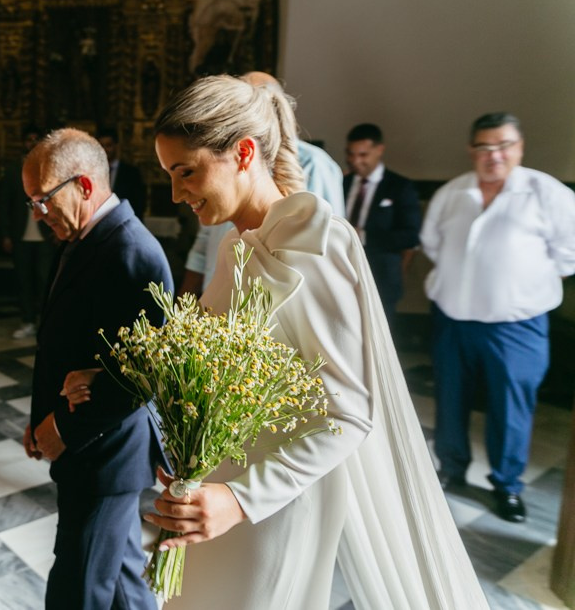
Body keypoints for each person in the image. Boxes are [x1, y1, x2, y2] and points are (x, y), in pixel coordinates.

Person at [141, 75, 487, 609]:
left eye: (186, 171)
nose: (176, 192)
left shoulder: (314, 244)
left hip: (275, 502)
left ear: (244, 153)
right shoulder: (235, 245)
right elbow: (207, 359)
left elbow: (350, 414)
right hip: (216, 480)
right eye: (169, 175)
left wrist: (238, 499)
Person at [22, 128, 172, 610]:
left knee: (77, 589)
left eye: (42, 199)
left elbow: (145, 374)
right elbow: (61, 344)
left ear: (84, 185)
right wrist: (40, 416)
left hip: (106, 452)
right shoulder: (81, 236)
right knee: (123, 580)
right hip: (91, 450)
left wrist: (63, 427)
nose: (37, 213)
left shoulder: (132, 252)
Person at [421, 112, 575, 523]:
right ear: (472, 150)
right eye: (485, 147)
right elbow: (433, 244)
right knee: (450, 399)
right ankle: (451, 469)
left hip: (516, 326)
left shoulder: (547, 193)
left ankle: (507, 486)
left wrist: (519, 283)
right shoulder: (453, 193)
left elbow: (568, 255)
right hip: (453, 320)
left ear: (519, 147)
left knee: (511, 408)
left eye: (504, 145)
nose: (495, 155)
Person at [178, 71, 346, 298]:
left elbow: (324, 246)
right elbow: (205, 239)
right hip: (220, 290)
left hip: (274, 298)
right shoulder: (223, 162)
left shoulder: (314, 164)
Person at [343, 123, 422, 326]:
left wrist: (363, 236)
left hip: (381, 277)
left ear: (379, 150)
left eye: (363, 155)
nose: (355, 161)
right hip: (342, 273)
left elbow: (410, 236)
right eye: (351, 154)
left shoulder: (400, 187)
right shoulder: (342, 182)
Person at [0, 125, 55, 339]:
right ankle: (27, 320)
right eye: (28, 139)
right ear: (23, 142)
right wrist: (5, 234)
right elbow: (3, 204)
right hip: (20, 235)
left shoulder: (50, 169)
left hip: (45, 235)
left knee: (44, 280)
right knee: (24, 280)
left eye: (36, 139)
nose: (32, 143)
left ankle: (45, 322)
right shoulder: (13, 170)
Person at [96, 127, 147, 217]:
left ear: (116, 146)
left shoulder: (131, 173)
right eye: (102, 146)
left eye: (108, 145)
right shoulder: (94, 172)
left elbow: (139, 203)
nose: (105, 149)